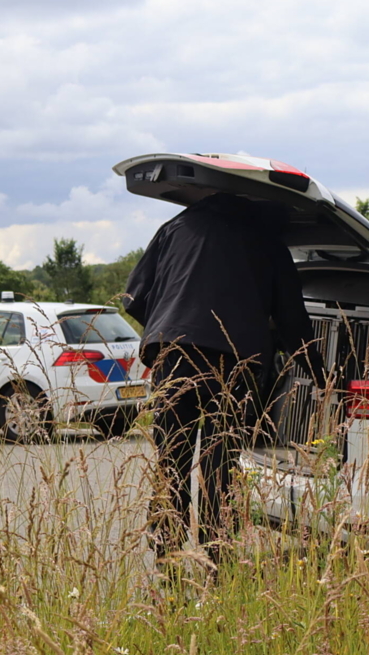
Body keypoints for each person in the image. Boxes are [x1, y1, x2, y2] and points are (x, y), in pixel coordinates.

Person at [124, 192, 325, 567]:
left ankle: (167, 551)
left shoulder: (175, 228)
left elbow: (132, 298)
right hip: (234, 363)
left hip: (173, 354)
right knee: (220, 462)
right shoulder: (267, 241)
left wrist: (168, 325)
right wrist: (325, 378)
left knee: (173, 457)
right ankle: (217, 554)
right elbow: (294, 326)